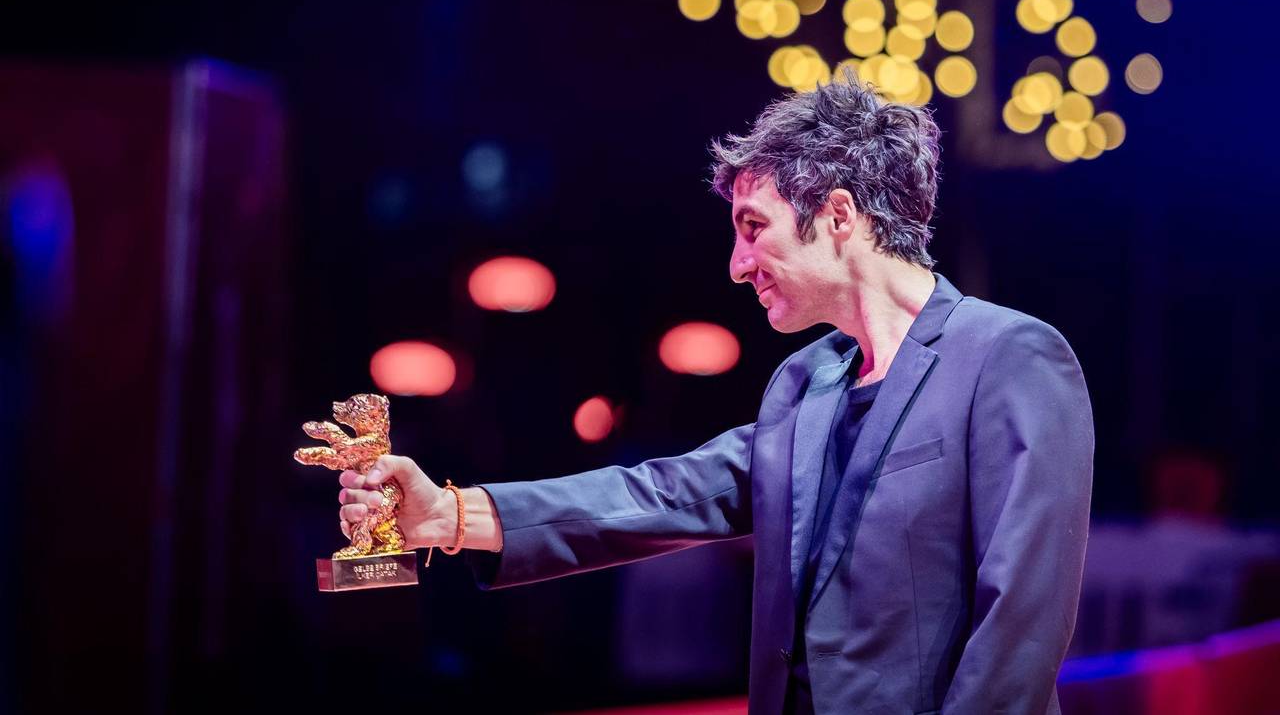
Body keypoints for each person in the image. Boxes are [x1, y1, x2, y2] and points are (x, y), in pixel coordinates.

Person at [337, 72, 1094, 714]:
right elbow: (665, 494)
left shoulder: (1009, 356)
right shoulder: (805, 382)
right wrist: (450, 514)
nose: (736, 264)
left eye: (752, 227)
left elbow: (1021, 622)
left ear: (838, 214)